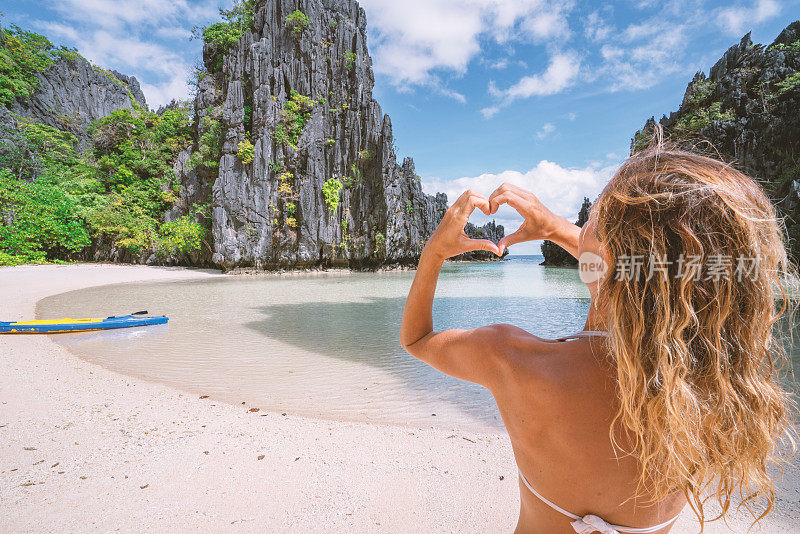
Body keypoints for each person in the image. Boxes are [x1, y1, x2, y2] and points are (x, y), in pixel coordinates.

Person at [399, 143, 797, 534]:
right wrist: (555, 227)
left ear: (605, 257)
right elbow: (646, 274)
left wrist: (433, 254)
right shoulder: (711, 388)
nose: (580, 228)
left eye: (589, 220)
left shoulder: (512, 358)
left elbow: (416, 339)